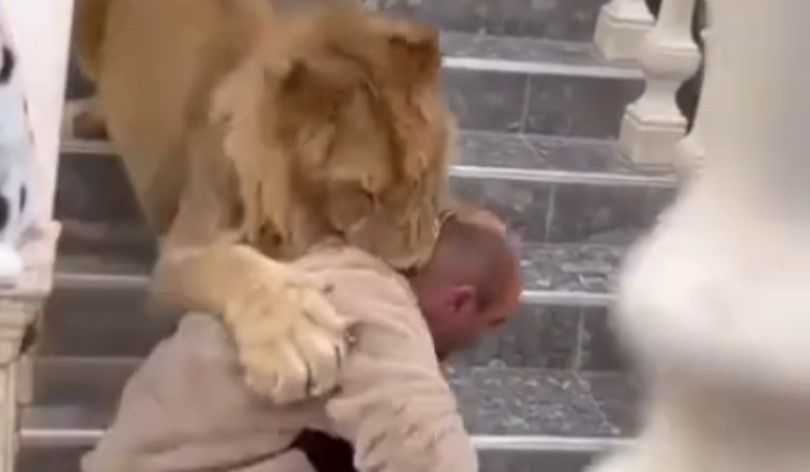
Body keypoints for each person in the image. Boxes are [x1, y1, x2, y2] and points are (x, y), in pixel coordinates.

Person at [81, 206, 523, 472]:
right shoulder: (377, 314)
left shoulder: (342, 258)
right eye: (495, 322)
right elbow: (429, 455)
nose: (486, 339)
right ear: (460, 302)